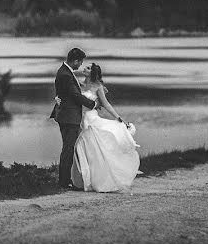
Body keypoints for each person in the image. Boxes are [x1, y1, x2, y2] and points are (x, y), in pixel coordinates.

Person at [70, 63, 141, 192]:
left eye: (88, 68)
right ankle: (83, 180)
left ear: (93, 73)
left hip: (91, 120)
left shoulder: (98, 87)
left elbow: (106, 104)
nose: (84, 69)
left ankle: (98, 180)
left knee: (94, 152)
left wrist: (119, 118)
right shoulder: (78, 84)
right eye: (85, 67)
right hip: (79, 120)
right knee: (82, 151)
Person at [49, 47, 97, 189]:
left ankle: (66, 179)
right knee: (68, 148)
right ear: (75, 60)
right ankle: (64, 181)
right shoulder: (65, 74)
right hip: (68, 117)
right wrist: (92, 104)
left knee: (69, 147)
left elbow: (64, 93)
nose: (80, 65)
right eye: (80, 62)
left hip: (67, 115)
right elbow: (75, 96)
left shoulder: (65, 72)